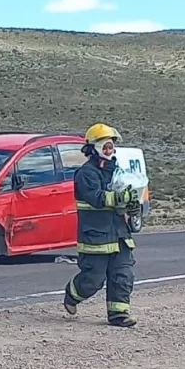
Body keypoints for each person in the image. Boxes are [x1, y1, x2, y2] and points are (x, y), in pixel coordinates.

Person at [62, 123, 140, 328]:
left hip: (119, 233)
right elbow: (96, 198)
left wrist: (131, 202)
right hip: (95, 236)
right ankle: (72, 295)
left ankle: (119, 315)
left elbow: (122, 197)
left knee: (123, 274)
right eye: (104, 147)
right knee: (93, 280)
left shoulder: (118, 171)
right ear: (93, 148)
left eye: (111, 147)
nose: (109, 151)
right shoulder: (85, 174)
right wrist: (118, 197)